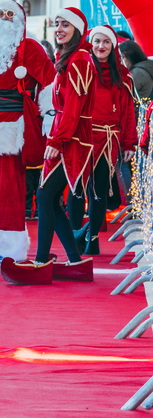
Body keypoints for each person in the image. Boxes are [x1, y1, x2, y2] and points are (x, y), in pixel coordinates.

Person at [1, 7, 96, 284]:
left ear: (77, 29)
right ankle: (75, 261)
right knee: (49, 198)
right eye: (56, 24)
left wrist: (57, 140)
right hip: (67, 136)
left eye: (66, 24)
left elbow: (74, 107)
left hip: (71, 139)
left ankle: (42, 262)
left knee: (44, 196)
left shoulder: (78, 60)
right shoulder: (68, 58)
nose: (59, 29)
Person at [0, 0, 54, 263]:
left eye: (10, 15)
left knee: (10, 191)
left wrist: (49, 119)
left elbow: (52, 82)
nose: (4, 19)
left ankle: (10, 248)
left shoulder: (27, 48)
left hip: (9, 127)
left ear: (20, 22)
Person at [68, 24, 137, 255]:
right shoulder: (82, 69)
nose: (101, 46)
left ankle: (93, 238)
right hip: (81, 138)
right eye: (97, 41)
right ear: (91, 43)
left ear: (113, 45)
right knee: (76, 189)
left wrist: (129, 142)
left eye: (106, 42)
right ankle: (75, 236)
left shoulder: (123, 76)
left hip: (108, 139)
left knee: (98, 192)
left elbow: (127, 112)